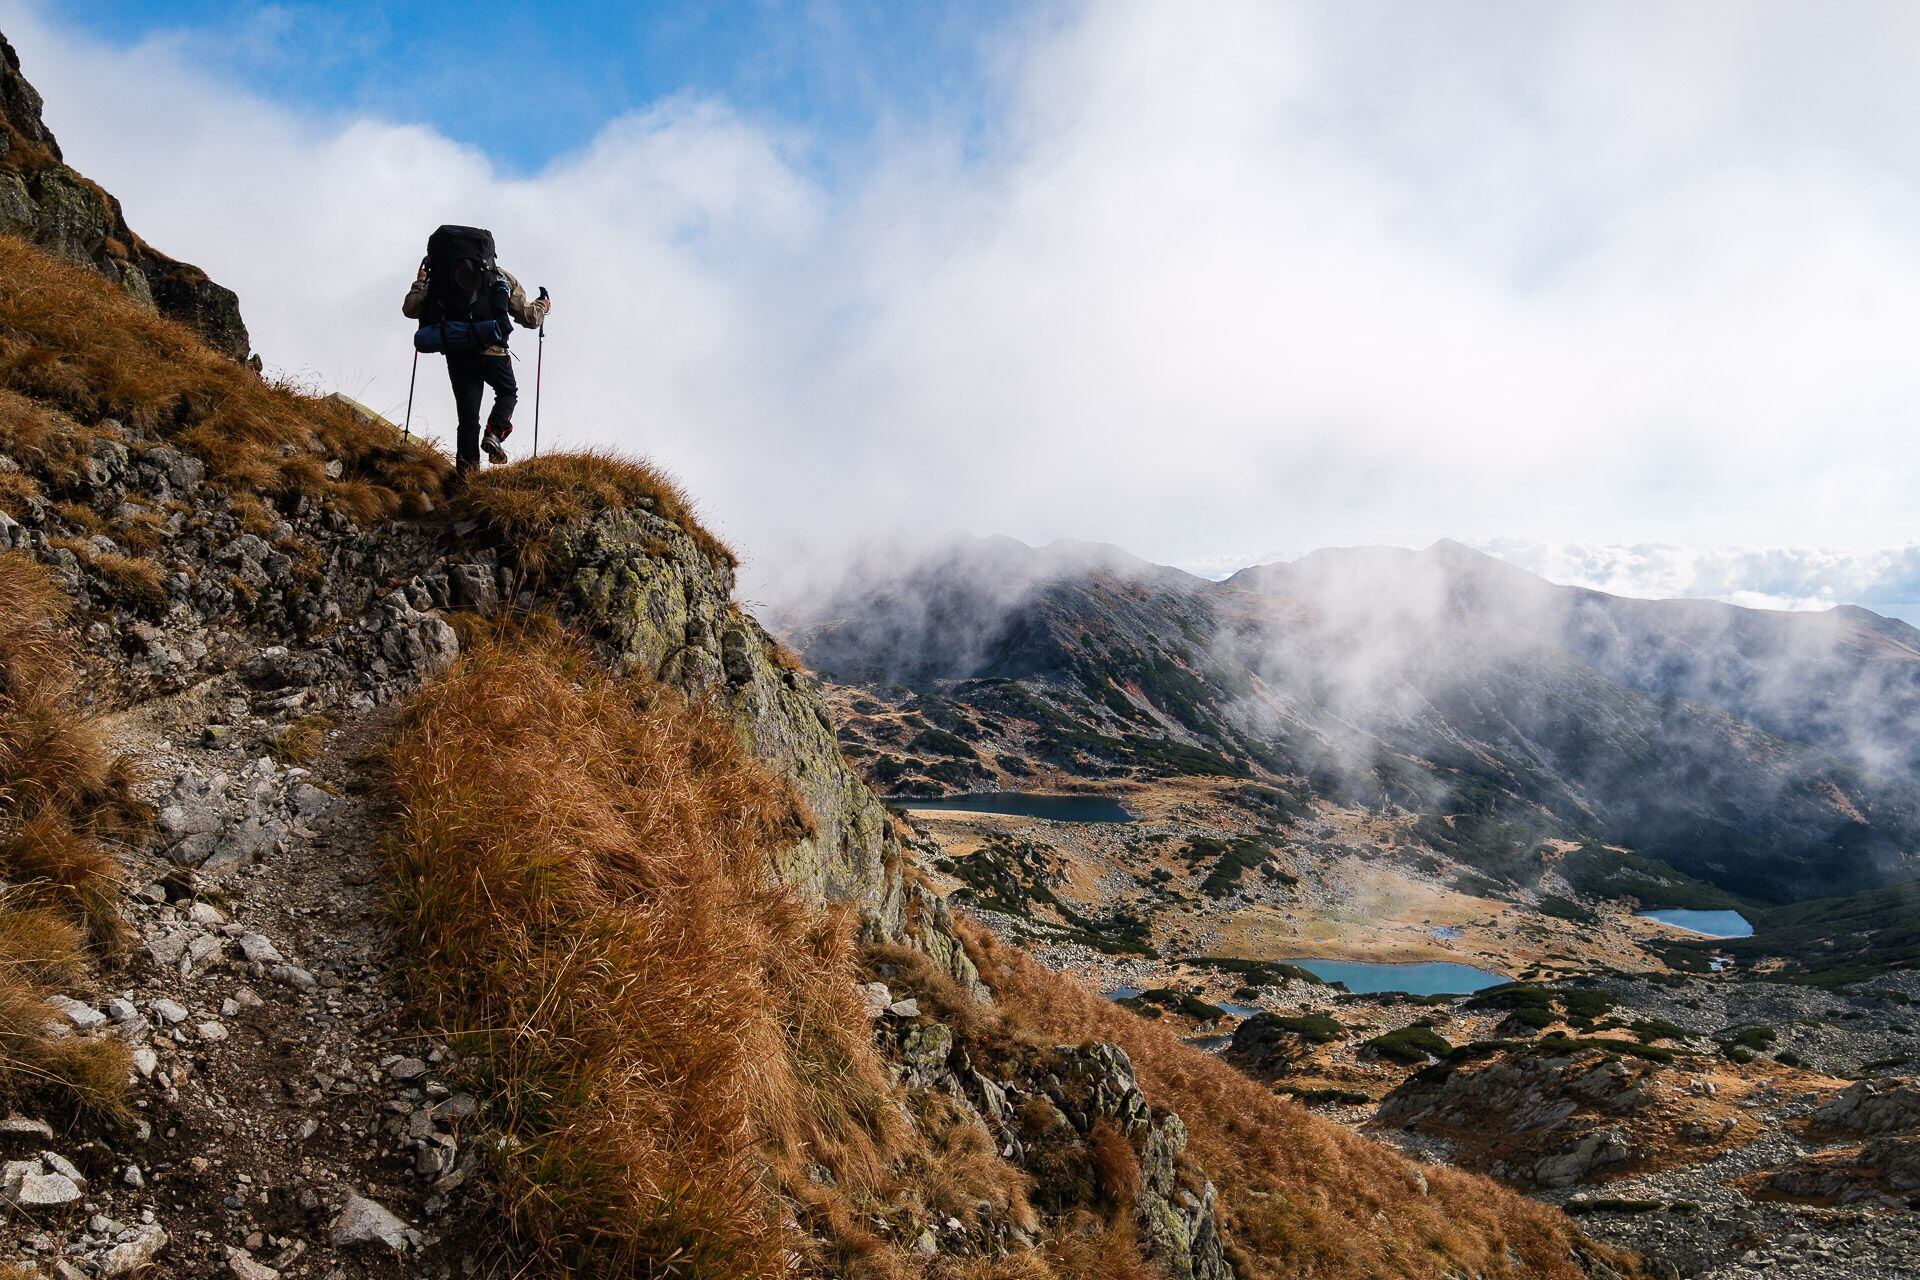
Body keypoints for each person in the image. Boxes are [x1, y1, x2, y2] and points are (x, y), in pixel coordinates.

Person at [402, 241, 550, 477]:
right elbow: (530, 318)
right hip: (493, 351)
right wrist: (542, 306)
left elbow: (411, 309)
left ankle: (467, 476)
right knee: (507, 392)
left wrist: (421, 280)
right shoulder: (500, 276)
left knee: (468, 418)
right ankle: (494, 434)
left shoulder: (440, 276)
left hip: (457, 352)